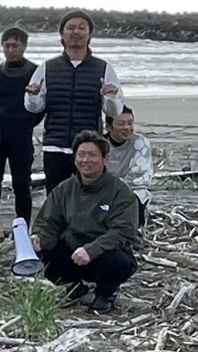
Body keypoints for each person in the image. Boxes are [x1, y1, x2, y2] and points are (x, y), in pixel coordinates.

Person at [32, 130, 141, 313]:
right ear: (75, 158)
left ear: (105, 159)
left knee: (114, 261)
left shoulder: (121, 192)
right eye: (81, 155)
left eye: (92, 155)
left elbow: (123, 232)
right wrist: (39, 238)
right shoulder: (65, 189)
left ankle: (106, 293)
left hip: (104, 254)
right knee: (43, 251)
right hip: (73, 252)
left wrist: (91, 250)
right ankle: (75, 288)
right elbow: (48, 222)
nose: (85, 160)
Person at [26, 10, 124, 193]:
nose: (76, 32)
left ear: (89, 35)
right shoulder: (47, 67)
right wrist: (33, 96)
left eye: (81, 28)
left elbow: (114, 111)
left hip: (90, 148)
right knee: (56, 197)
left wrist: (109, 96)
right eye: (70, 28)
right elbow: (34, 107)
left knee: (90, 196)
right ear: (62, 34)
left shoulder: (103, 68)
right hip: (55, 146)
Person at [0, 27, 42, 222]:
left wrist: (28, 121)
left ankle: (23, 224)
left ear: (24, 46)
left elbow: (42, 105)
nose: (10, 50)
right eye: (6, 45)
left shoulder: (35, 72)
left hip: (22, 134)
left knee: (21, 182)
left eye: (15, 45)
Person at [105, 107, 154, 226]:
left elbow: (141, 177)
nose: (127, 128)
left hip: (130, 190)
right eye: (121, 124)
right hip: (102, 190)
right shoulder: (99, 143)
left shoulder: (141, 143)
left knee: (137, 196)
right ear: (109, 127)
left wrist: (116, 189)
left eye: (130, 123)